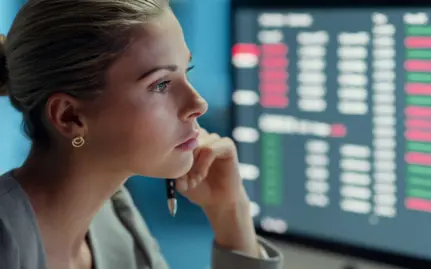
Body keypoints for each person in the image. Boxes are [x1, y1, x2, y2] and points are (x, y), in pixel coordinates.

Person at [0, 0, 283, 268]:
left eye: (188, 71)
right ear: (69, 116)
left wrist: (230, 211)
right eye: (161, 84)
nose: (198, 104)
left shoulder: (114, 220)